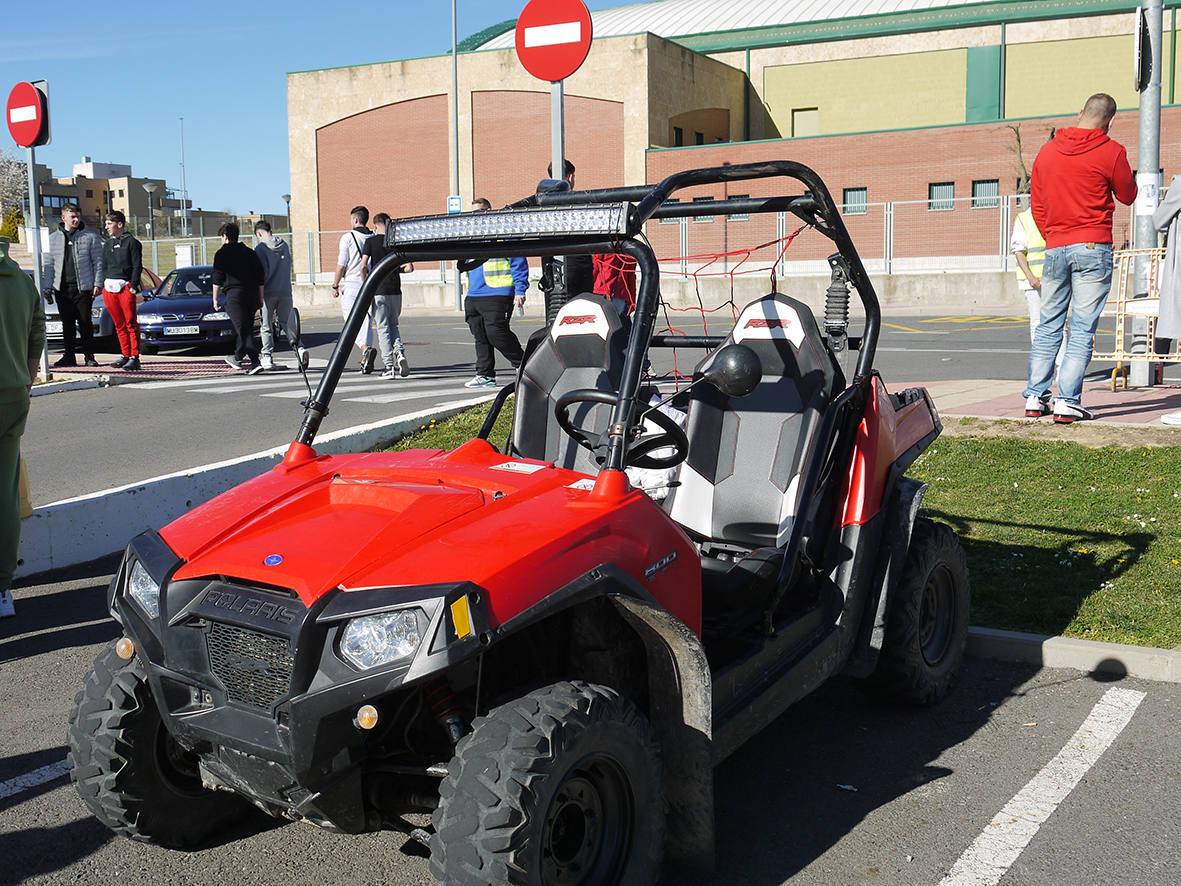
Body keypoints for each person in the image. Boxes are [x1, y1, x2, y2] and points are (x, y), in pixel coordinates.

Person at [1024, 93, 1137, 423]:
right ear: (1110, 121)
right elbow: (1128, 194)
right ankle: (1067, 401)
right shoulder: (1112, 151)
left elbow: (1038, 206)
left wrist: (1054, 238)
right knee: (1083, 328)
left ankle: (1035, 396)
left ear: (1079, 114)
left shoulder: (1046, 153)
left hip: (1056, 246)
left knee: (1049, 325)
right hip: (1093, 245)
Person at [0, 235, 45, 617]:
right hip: (13, 395)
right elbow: (37, 334)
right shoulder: (22, 280)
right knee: (4, 496)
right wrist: (25, 381)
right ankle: (1, 590)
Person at [460, 197, 528, 388]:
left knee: (496, 332)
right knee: (480, 335)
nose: (477, 217)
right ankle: (485, 374)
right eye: (473, 213)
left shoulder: (502, 234)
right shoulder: (470, 236)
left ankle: (524, 366)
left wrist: (520, 289)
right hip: (474, 294)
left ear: (490, 212)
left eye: (481, 212)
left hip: (498, 292)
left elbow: (518, 262)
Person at [42, 203, 103, 367]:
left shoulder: (90, 236)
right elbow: (48, 265)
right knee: (67, 324)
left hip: (83, 287)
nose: (76, 219)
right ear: (63, 218)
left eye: (77, 216)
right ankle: (69, 355)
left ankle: (89, 356)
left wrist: (98, 283)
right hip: (62, 288)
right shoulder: (52, 239)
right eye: (72, 217)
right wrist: (47, 287)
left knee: (85, 323)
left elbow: (98, 262)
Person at [539, 160, 594, 323]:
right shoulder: (577, 201)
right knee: (579, 314)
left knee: (556, 316)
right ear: (570, 177)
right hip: (576, 265)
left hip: (551, 267)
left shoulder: (541, 203)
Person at [359, 212, 413, 379]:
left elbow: (362, 267)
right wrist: (396, 270)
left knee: (382, 328)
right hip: (395, 290)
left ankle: (389, 366)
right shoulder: (395, 242)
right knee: (393, 325)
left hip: (378, 290)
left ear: (375, 225)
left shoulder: (370, 241)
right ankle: (400, 354)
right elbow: (409, 267)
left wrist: (366, 285)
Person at [211, 222, 265, 373]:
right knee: (245, 327)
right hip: (252, 294)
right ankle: (237, 357)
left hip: (235, 295)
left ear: (225, 236)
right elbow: (260, 277)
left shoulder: (221, 254)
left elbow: (217, 278)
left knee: (243, 330)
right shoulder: (249, 252)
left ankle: (255, 361)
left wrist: (215, 299)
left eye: (221, 237)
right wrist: (260, 298)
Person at [254, 220, 307, 371]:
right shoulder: (284, 245)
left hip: (268, 291)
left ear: (259, 233)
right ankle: (300, 350)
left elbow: (261, 274)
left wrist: (259, 294)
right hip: (285, 290)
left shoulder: (261, 248)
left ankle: (267, 356)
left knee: (266, 325)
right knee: (287, 323)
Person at [331, 205, 377, 373]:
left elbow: (341, 265)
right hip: (371, 283)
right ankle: (366, 359)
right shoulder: (373, 237)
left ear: (355, 219)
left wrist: (335, 285)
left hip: (352, 284)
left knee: (351, 323)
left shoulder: (348, 238)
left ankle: (365, 349)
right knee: (367, 322)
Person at [99, 210, 144, 371]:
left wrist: (133, 286)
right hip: (109, 288)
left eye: (109, 224)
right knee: (118, 324)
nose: (106, 227)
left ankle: (134, 356)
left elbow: (137, 266)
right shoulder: (108, 244)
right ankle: (125, 354)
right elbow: (103, 265)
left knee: (130, 322)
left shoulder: (132, 243)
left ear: (119, 224)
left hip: (125, 287)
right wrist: (103, 283)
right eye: (106, 224)